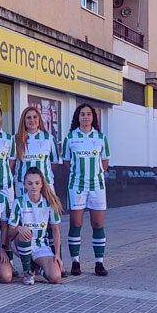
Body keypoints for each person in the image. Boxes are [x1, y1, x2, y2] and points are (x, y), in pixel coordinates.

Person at [62, 104, 110, 277]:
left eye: (89, 114)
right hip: (76, 186)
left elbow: (105, 163)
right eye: (82, 114)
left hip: (97, 186)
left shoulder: (101, 138)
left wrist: (94, 176)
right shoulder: (70, 138)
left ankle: (99, 263)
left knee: (98, 224)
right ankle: (76, 262)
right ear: (78, 117)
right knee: (76, 224)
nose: (86, 117)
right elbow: (67, 164)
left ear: (93, 118)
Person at [8, 167, 63, 285]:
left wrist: (57, 254)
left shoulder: (49, 203)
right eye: (30, 183)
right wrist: (18, 228)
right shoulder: (19, 202)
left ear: (42, 184)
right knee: (25, 232)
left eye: (37, 183)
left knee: (55, 277)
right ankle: (27, 272)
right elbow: (10, 232)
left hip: (40, 245)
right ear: (24, 185)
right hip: (21, 243)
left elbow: (56, 230)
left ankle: (35, 268)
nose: (34, 186)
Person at [14, 106, 61, 198]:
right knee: (24, 212)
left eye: (35, 117)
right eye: (28, 117)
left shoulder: (49, 138)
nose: (32, 120)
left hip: (45, 184)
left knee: (48, 211)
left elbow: (54, 163)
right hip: (22, 185)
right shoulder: (15, 139)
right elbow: (11, 164)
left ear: (39, 119)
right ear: (23, 120)